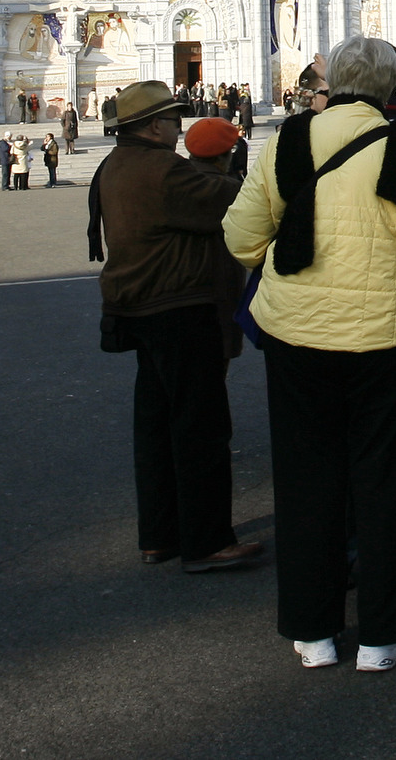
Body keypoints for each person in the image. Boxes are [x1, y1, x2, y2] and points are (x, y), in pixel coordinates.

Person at [223, 37, 396, 673]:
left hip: (297, 339)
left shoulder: (289, 142)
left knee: (306, 482)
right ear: (391, 89)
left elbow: (241, 236)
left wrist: (285, 257)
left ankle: (313, 632)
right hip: (387, 341)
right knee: (386, 484)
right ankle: (384, 635)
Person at [90, 81, 262, 576]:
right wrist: (226, 170)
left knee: (157, 424)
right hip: (179, 307)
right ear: (151, 126)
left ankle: (159, 534)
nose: (178, 126)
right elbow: (231, 204)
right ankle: (207, 541)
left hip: (139, 308)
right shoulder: (163, 170)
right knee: (200, 426)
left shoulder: (116, 165)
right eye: (171, 119)